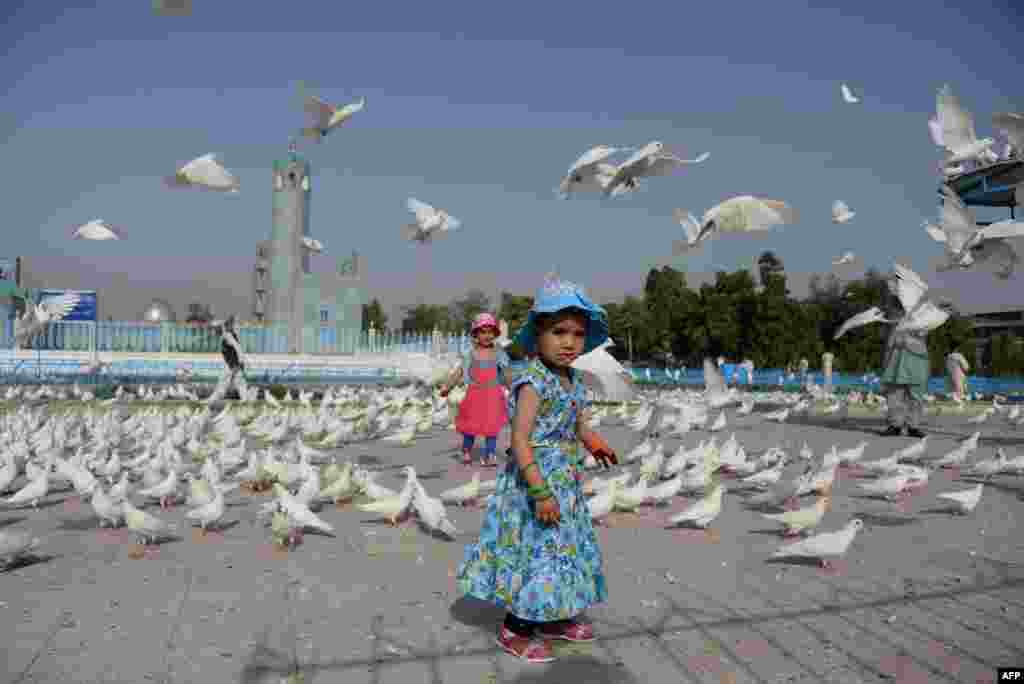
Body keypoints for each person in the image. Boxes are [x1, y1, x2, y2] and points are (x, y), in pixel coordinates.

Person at [456, 276, 618, 664]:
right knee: (533, 552)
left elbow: (577, 424)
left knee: (564, 550)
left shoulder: (575, 380)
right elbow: (521, 439)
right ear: (537, 334)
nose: (568, 342)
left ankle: (554, 615)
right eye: (558, 331)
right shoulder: (532, 382)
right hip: (534, 484)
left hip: (566, 483)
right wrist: (540, 491)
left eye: (578, 334)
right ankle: (517, 626)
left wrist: (593, 440)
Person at [439, 313, 511, 467]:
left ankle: (489, 455)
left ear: (495, 334)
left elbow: (507, 374)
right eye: (483, 332)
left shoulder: (499, 353)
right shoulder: (471, 354)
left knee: (492, 427)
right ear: (475, 334)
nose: (487, 335)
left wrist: (515, 389)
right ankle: (466, 450)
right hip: (475, 394)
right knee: (471, 426)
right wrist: (447, 387)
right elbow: (458, 372)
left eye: (490, 332)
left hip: (493, 394)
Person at [880, 325, 929, 437]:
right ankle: (895, 425)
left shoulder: (923, 321)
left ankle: (913, 426)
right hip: (895, 365)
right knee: (894, 397)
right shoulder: (894, 325)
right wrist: (884, 366)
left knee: (916, 398)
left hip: (916, 364)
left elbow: (922, 339)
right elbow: (888, 347)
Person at [208, 316, 248, 402]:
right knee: (224, 383)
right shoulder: (224, 337)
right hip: (230, 365)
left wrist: (240, 363)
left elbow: (238, 349)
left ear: (218, 329)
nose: (212, 332)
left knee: (239, 383)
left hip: (235, 365)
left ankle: (245, 402)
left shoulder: (228, 336)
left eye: (213, 329)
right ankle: (212, 400)